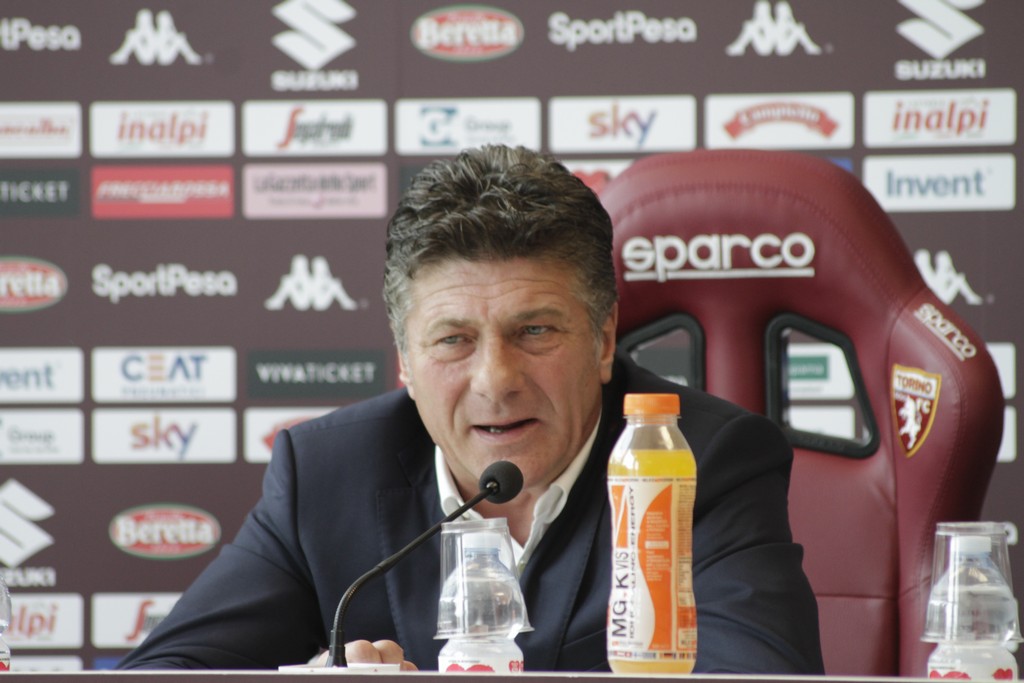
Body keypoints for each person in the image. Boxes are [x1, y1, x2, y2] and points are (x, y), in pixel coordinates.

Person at [117, 145, 824, 673]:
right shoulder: (325, 474)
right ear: (404, 357)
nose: (496, 380)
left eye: (535, 331)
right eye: (453, 339)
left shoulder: (699, 462)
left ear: (604, 339)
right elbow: (165, 671)